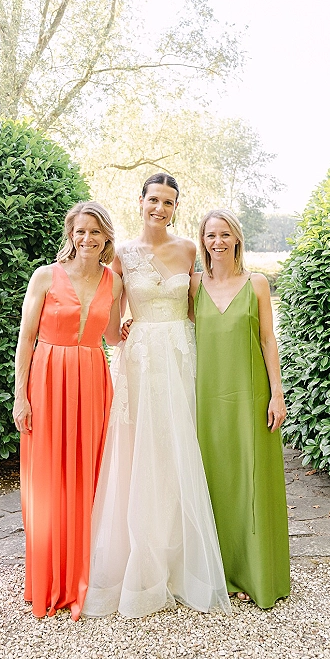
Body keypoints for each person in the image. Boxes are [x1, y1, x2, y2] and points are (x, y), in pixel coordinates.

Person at [83, 174, 231, 618]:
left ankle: (181, 560)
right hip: (142, 359)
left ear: (176, 207)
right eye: (154, 200)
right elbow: (110, 330)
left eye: (169, 202)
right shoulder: (122, 257)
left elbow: (197, 309)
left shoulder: (190, 249)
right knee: (140, 451)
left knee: (177, 447)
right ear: (140, 201)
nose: (160, 209)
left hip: (182, 355)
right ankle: (141, 563)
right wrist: (124, 329)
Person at [13, 201, 123, 620]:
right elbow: (26, 339)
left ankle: (83, 576)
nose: (87, 239)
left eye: (96, 232)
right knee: (48, 480)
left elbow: (111, 335)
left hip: (93, 381)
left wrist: (129, 331)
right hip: (48, 380)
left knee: (87, 478)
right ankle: (48, 579)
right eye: (80, 231)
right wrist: (20, 396)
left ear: (106, 236)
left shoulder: (113, 281)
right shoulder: (45, 276)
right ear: (70, 234)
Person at [190, 208, 290, 608]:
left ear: (237, 239)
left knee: (250, 481)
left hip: (249, 397)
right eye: (211, 235)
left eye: (225, 234)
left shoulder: (258, 283)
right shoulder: (193, 286)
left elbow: (268, 340)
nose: (218, 241)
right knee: (213, 480)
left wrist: (277, 394)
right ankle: (219, 573)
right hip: (206, 399)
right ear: (203, 241)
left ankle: (254, 571)